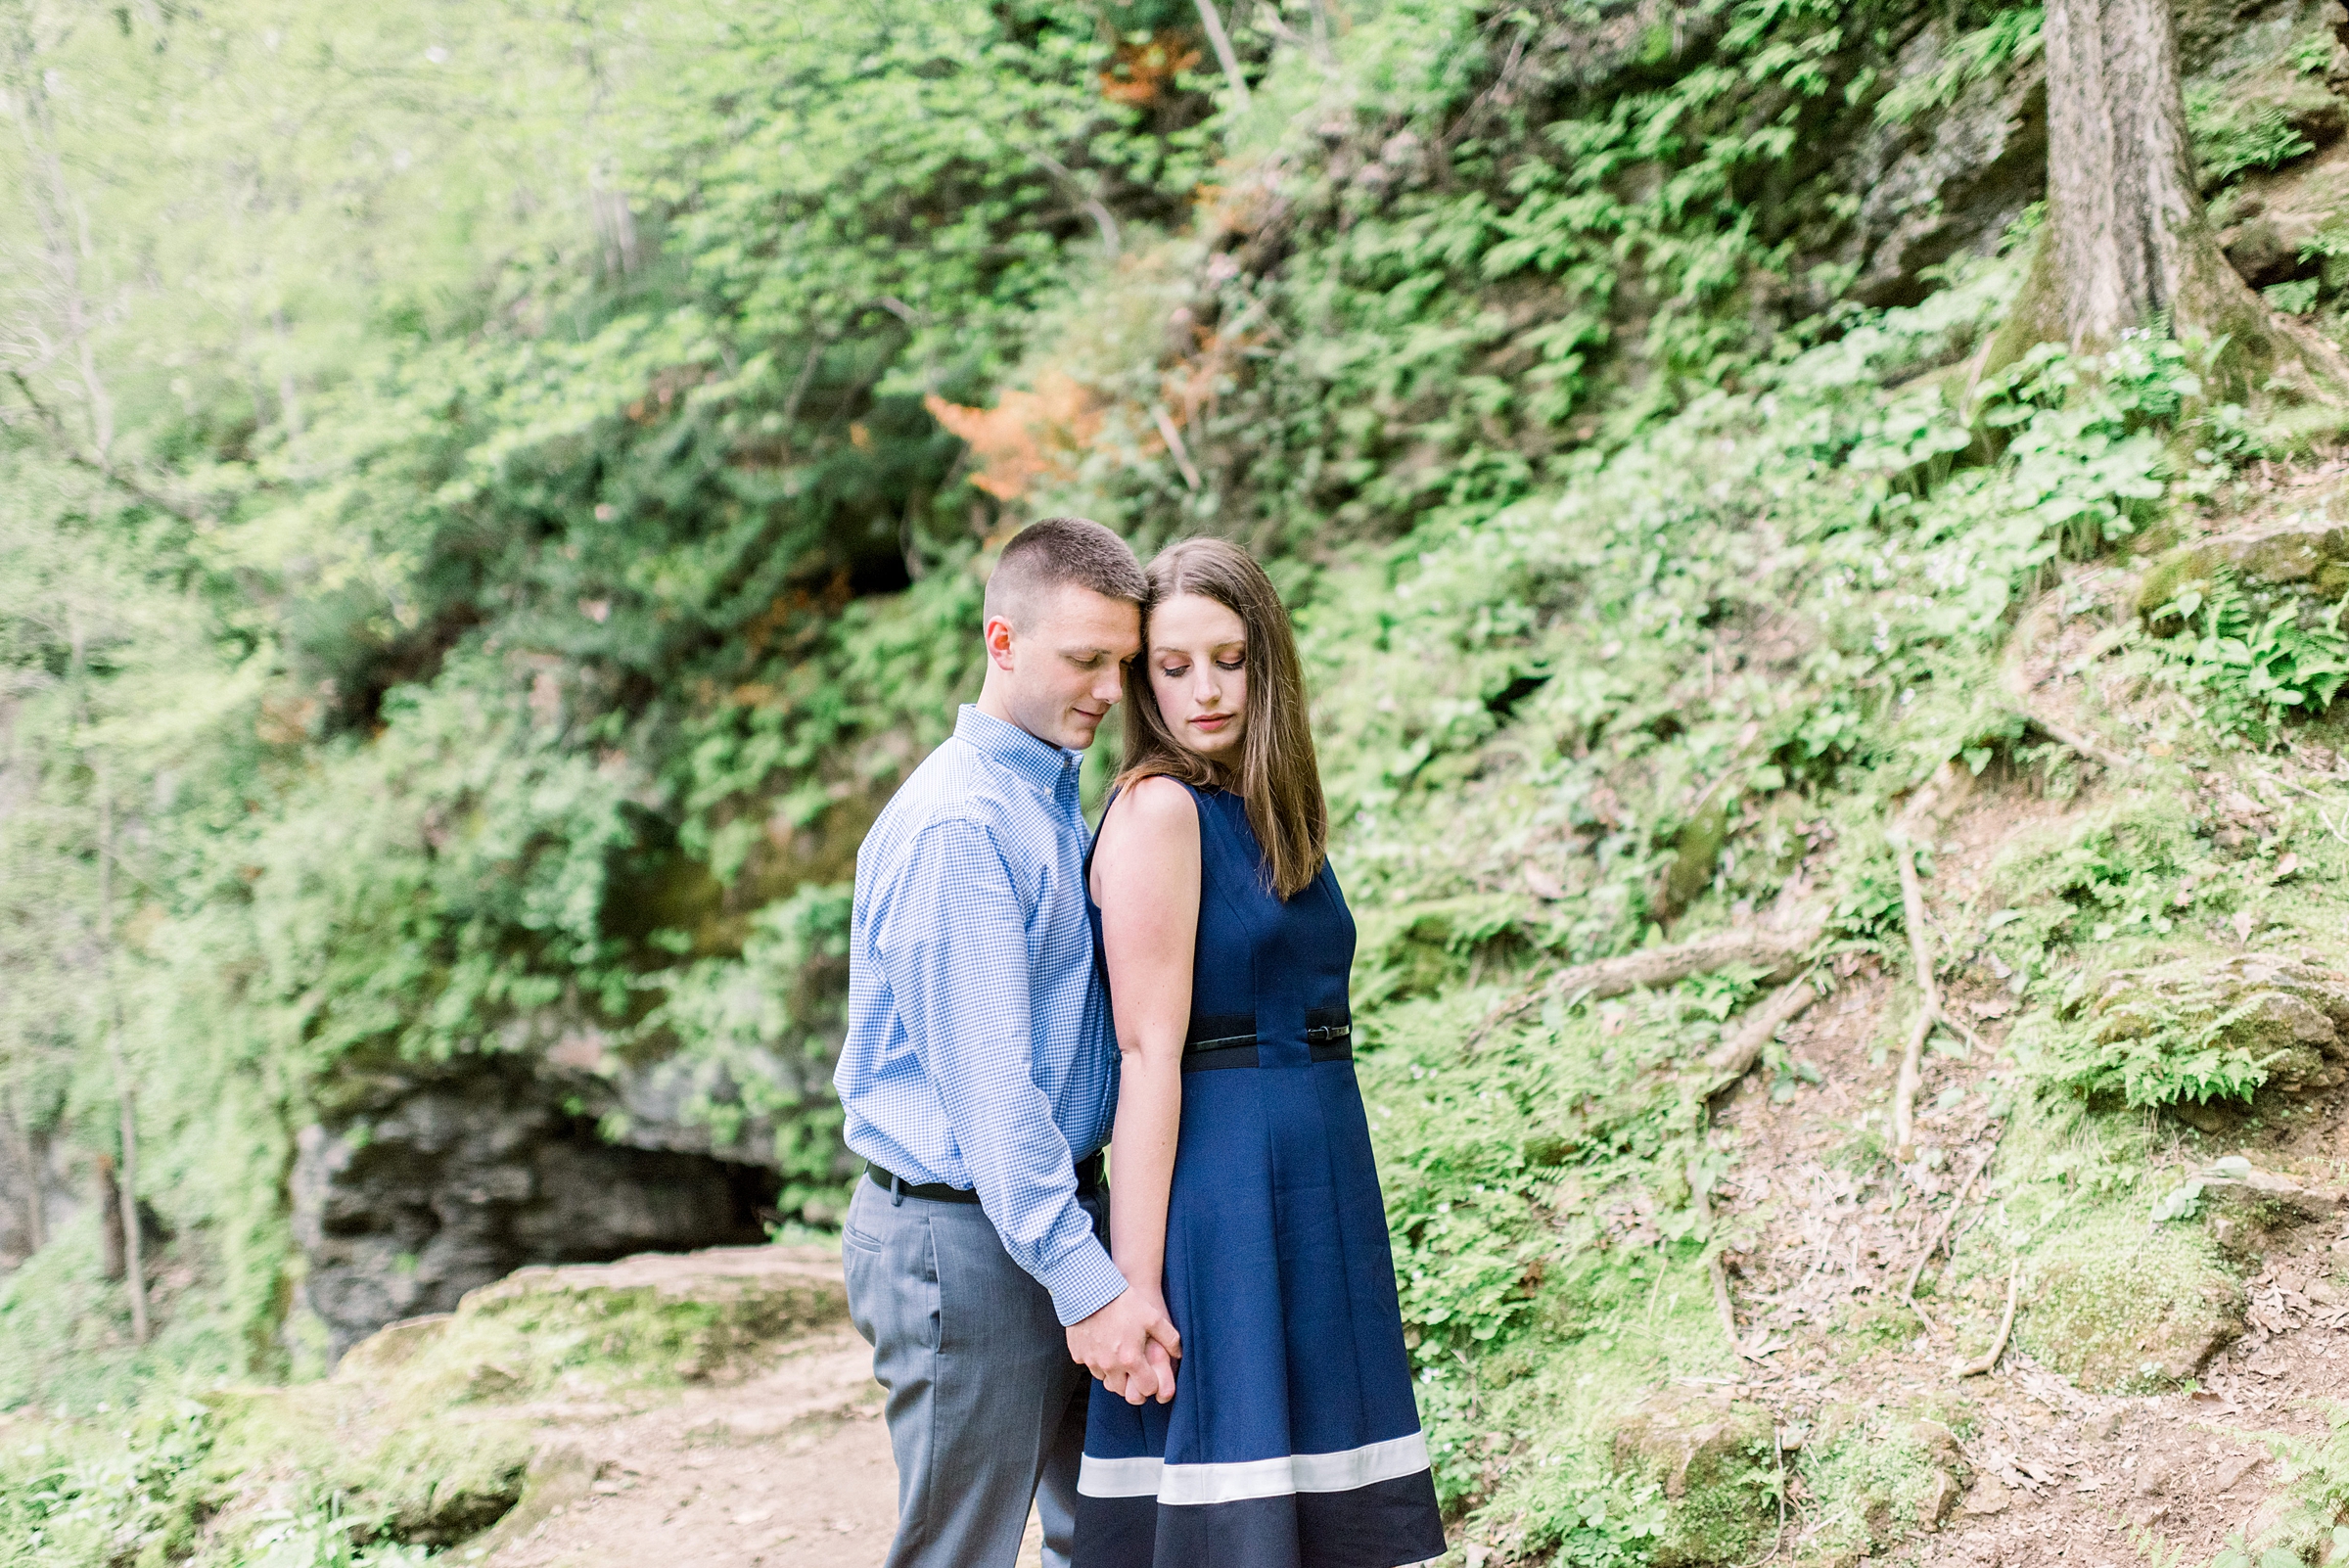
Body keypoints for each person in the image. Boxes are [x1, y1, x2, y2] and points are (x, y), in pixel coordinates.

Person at [1074, 537, 1448, 1567]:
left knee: (1331, 1501)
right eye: (1173, 666)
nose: (1205, 690)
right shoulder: (1159, 811)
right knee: (1234, 1506)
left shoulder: (1273, 807)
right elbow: (1148, 1053)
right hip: (1220, 1190)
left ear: (1265, 658)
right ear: (1143, 680)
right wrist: (1131, 1286)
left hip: (1321, 1173)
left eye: (1229, 659)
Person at [836, 516, 1184, 1568]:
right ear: (1002, 642)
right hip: (964, 1242)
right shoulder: (961, 827)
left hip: (1040, 1220)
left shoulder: (1042, 794)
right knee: (961, 1551)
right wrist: (1090, 1287)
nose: (1109, 692)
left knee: (1106, 1532)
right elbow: (995, 1103)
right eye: (1085, 660)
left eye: (1123, 664)